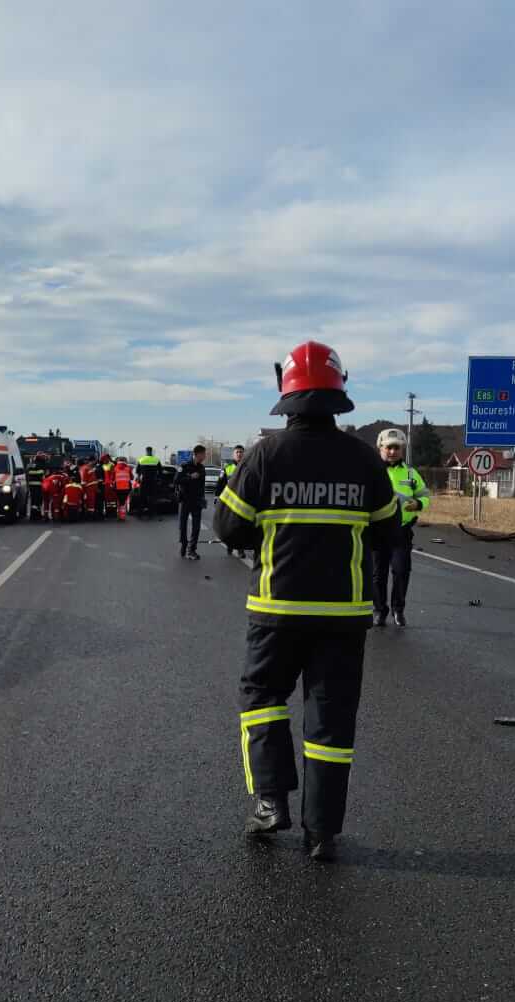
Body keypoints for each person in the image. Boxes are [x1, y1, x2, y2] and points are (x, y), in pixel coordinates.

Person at [213, 341, 398, 862]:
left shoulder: (264, 455)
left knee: (263, 699)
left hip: (277, 611)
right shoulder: (365, 459)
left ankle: (271, 803)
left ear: (285, 394)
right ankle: (323, 832)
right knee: (331, 720)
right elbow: (388, 531)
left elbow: (227, 526)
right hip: (344, 616)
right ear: (339, 392)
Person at [371, 428, 431, 628]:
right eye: (388, 447)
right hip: (377, 531)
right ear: (380, 448)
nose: (392, 451)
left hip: (401, 531)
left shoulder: (410, 473)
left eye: (396, 447)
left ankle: (398, 610)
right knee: (378, 574)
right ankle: (379, 611)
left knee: (401, 571)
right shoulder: (372, 471)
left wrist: (419, 504)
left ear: (402, 449)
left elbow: (425, 495)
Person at [213, 445, 246, 558]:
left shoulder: (247, 467)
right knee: (230, 525)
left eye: (241, 452)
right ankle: (230, 545)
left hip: (243, 502)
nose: (239, 454)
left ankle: (241, 549)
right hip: (230, 502)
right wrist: (217, 497)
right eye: (237, 452)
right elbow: (220, 484)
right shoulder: (227, 468)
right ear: (233, 454)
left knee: (242, 526)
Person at [176, 445, 207, 559]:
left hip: (197, 501)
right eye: (203, 454)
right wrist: (190, 477)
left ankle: (192, 549)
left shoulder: (202, 468)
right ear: (197, 454)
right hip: (185, 500)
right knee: (183, 525)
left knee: (196, 527)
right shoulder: (184, 466)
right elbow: (177, 480)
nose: (205, 456)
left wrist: (203, 499)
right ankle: (184, 544)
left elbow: (202, 485)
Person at [136, 447, 161, 517]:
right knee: (152, 497)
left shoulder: (141, 460)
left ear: (146, 451)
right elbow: (160, 471)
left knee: (141, 497)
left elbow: (137, 472)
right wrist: (158, 479)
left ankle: (140, 513)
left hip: (143, 481)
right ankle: (151, 513)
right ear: (151, 451)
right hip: (153, 481)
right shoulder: (156, 460)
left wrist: (138, 479)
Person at [113, 456, 134, 521]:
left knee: (119, 501)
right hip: (126, 488)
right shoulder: (128, 468)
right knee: (124, 502)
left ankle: (119, 515)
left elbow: (112, 478)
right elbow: (132, 477)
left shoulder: (115, 468)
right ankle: (122, 516)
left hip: (117, 487)